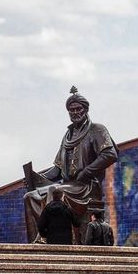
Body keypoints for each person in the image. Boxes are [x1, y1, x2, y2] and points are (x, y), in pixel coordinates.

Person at [24, 86, 118, 244]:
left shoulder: (97, 130)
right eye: (71, 110)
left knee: (55, 190)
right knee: (30, 196)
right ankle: (37, 238)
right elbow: (57, 170)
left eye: (78, 109)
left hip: (86, 185)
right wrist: (35, 178)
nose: (75, 113)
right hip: (69, 185)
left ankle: (45, 238)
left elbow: (110, 154)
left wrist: (87, 171)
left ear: (85, 109)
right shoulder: (67, 136)